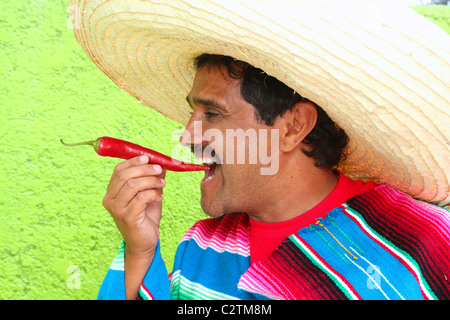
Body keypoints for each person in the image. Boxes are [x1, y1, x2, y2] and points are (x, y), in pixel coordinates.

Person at [68, 0, 450, 300]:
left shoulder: (423, 245)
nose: (186, 136)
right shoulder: (200, 249)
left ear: (293, 126)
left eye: (212, 113)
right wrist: (140, 252)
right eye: (192, 112)